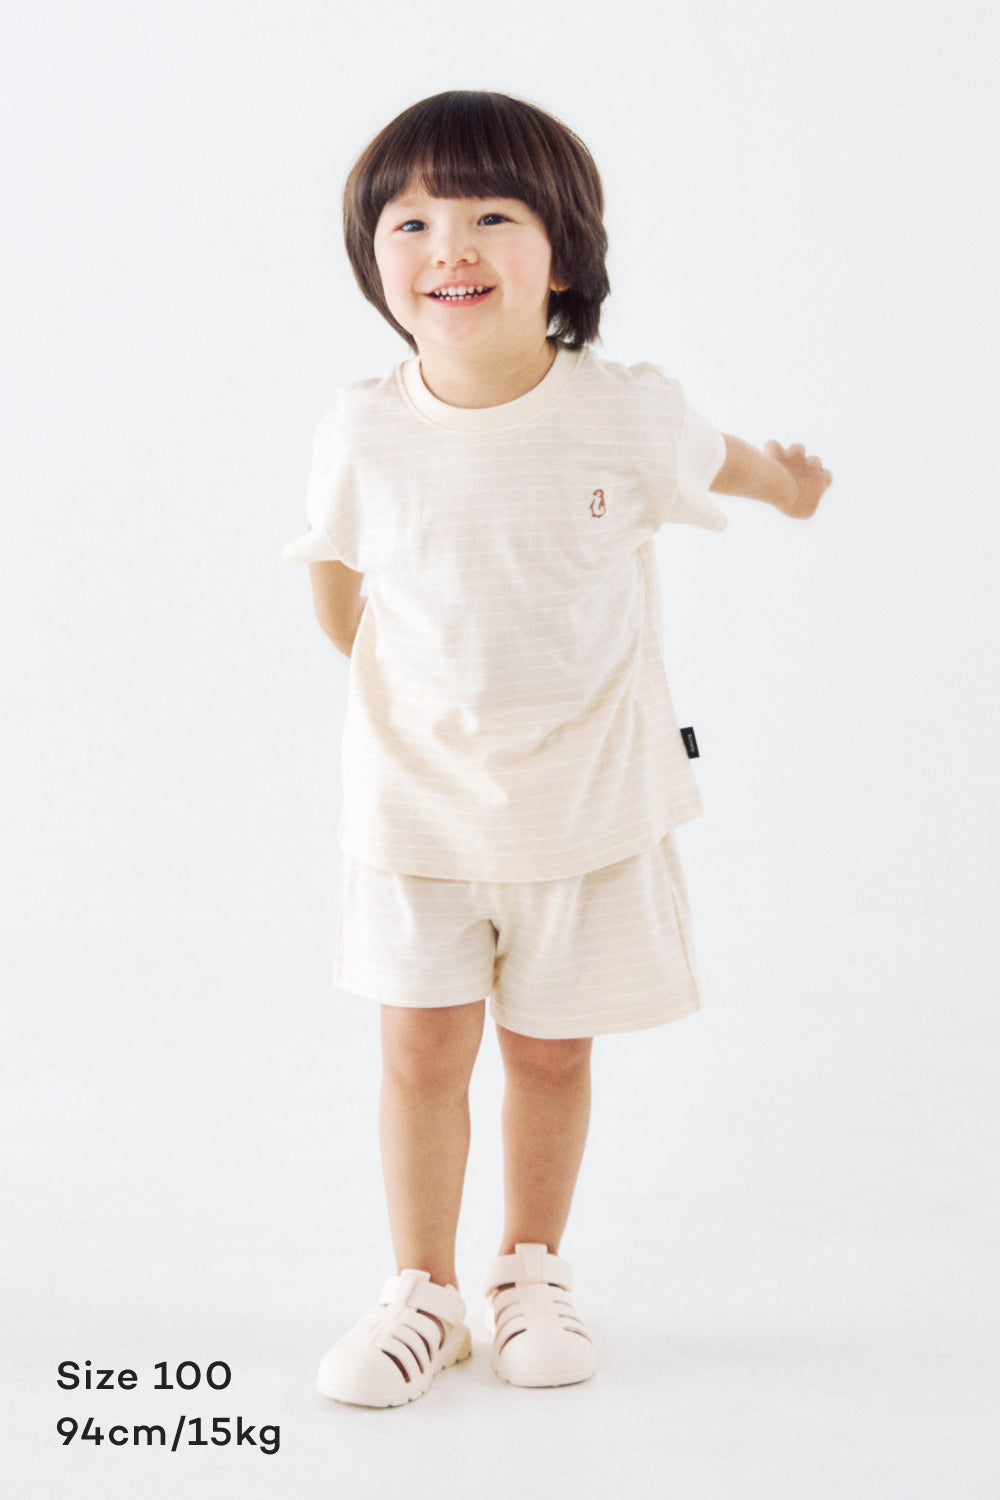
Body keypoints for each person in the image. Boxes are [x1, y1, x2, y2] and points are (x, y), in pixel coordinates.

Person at [283, 89, 832, 1409]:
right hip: (417, 817)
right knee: (421, 1051)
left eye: (491, 215)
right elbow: (336, 574)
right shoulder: (364, 427)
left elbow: (720, 459)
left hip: (583, 811)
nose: (449, 245)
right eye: (412, 221)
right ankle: (423, 1291)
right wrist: (409, 699)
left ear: (564, 258)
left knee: (549, 1050)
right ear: (375, 261)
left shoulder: (622, 415)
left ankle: (529, 1270)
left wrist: (788, 482)